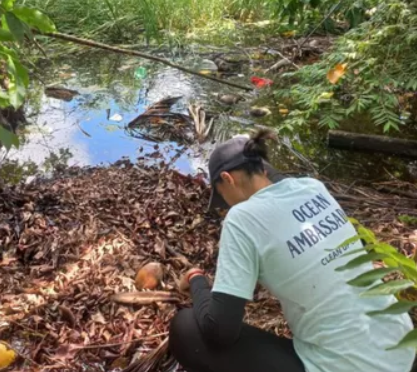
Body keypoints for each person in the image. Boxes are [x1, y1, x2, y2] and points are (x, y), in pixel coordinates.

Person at [169, 130, 415, 372]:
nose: (227, 205)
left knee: (186, 328)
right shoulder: (313, 188)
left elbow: (219, 331)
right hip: (404, 348)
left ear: (228, 178)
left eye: (223, 195)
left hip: (345, 365)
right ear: (262, 169)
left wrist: (197, 281)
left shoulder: (241, 218)